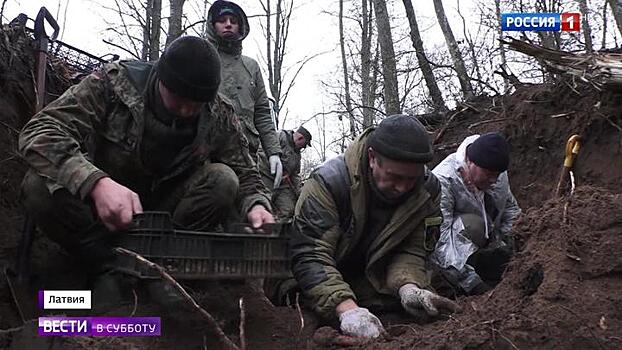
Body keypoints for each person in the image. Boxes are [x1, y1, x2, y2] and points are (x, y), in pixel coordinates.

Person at [18, 36, 274, 305]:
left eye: (195, 104)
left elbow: (245, 172)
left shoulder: (219, 113)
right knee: (38, 187)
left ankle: (162, 268)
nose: (186, 110)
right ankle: (104, 265)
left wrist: (256, 205)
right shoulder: (115, 84)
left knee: (223, 179)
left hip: (166, 213)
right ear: (161, 78)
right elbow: (40, 131)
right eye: (178, 99)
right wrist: (95, 182)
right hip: (101, 214)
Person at [289, 115, 459, 339]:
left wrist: (408, 286)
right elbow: (310, 255)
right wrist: (347, 310)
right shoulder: (329, 183)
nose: (402, 187)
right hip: (321, 278)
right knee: (307, 327)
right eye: (394, 177)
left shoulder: (428, 190)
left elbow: (413, 249)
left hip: (374, 280)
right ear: (372, 158)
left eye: (412, 179)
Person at [206, 0, 283, 190]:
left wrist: (273, 152)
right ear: (213, 25)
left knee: (254, 209)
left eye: (233, 20)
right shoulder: (202, 57)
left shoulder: (251, 67)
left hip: (247, 156)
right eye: (222, 20)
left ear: (240, 26)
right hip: (208, 151)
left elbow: (263, 112)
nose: (228, 24)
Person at [431, 132, 521, 295]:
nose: (494, 180)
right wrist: (472, 284)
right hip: (453, 258)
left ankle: (493, 262)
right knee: (473, 224)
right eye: (488, 174)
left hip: (491, 242)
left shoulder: (496, 172)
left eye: (497, 175)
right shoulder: (444, 180)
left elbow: (510, 210)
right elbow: (440, 241)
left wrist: (517, 250)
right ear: (470, 162)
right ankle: (467, 275)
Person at [258, 126, 312, 220]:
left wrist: (301, 191)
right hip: (265, 176)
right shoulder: (279, 136)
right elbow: (261, 152)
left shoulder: (297, 155)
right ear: (300, 138)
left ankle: (276, 229)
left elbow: (295, 175)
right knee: (263, 204)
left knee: (289, 210)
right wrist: (278, 169)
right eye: (304, 144)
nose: (303, 147)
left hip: (282, 185)